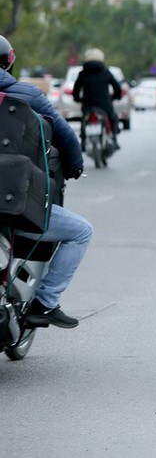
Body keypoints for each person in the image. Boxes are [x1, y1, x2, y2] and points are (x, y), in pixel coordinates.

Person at [0, 34, 93, 329]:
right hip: (11, 199)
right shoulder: (27, 95)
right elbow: (65, 136)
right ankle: (45, 302)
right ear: (9, 63)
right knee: (81, 231)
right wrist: (75, 167)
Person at [73, 48, 122, 149]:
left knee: (84, 120)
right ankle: (114, 139)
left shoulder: (82, 74)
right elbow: (117, 87)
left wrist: (77, 98)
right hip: (104, 105)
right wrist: (116, 96)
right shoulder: (106, 72)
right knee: (113, 118)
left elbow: (76, 90)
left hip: (88, 104)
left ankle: (83, 141)